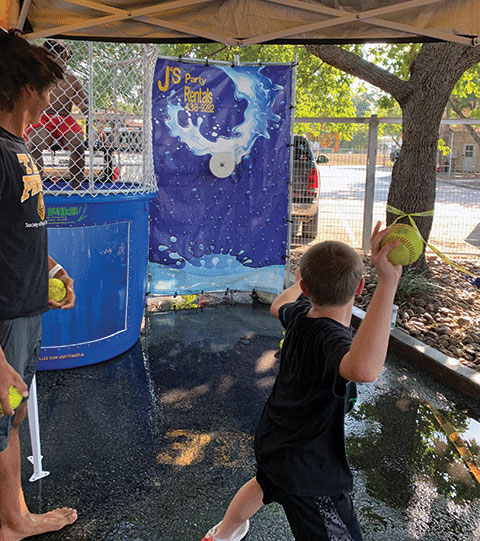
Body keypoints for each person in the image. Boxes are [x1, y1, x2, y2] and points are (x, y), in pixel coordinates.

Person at [201, 224, 401, 541]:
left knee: (264, 485)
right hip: (310, 473)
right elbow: (364, 369)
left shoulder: (299, 313)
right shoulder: (333, 339)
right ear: (360, 286)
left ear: (306, 289)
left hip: (276, 440)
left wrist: (301, 282)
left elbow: (277, 304)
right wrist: (388, 285)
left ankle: (223, 533)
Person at [0, 29, 78, 540]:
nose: (49, 99)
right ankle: (13, 521)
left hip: (24, 313)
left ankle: (13, 516)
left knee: (11, 414)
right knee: (2, 420)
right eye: (44, 87)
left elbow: (17, 228)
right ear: (21, 86)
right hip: (4, 322)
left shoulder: (17, 147)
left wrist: (49, 270)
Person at [26, 39, 88, 190]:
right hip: (43, 116)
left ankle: (76, 189)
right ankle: (37, 189)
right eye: (59, 57)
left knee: (78, 146)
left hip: (65, 118)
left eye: (65, 58)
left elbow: (84, 104)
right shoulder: (37, 76)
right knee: (34, 145)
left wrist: (89, 114)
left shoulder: (72, 79)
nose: (63, 62)